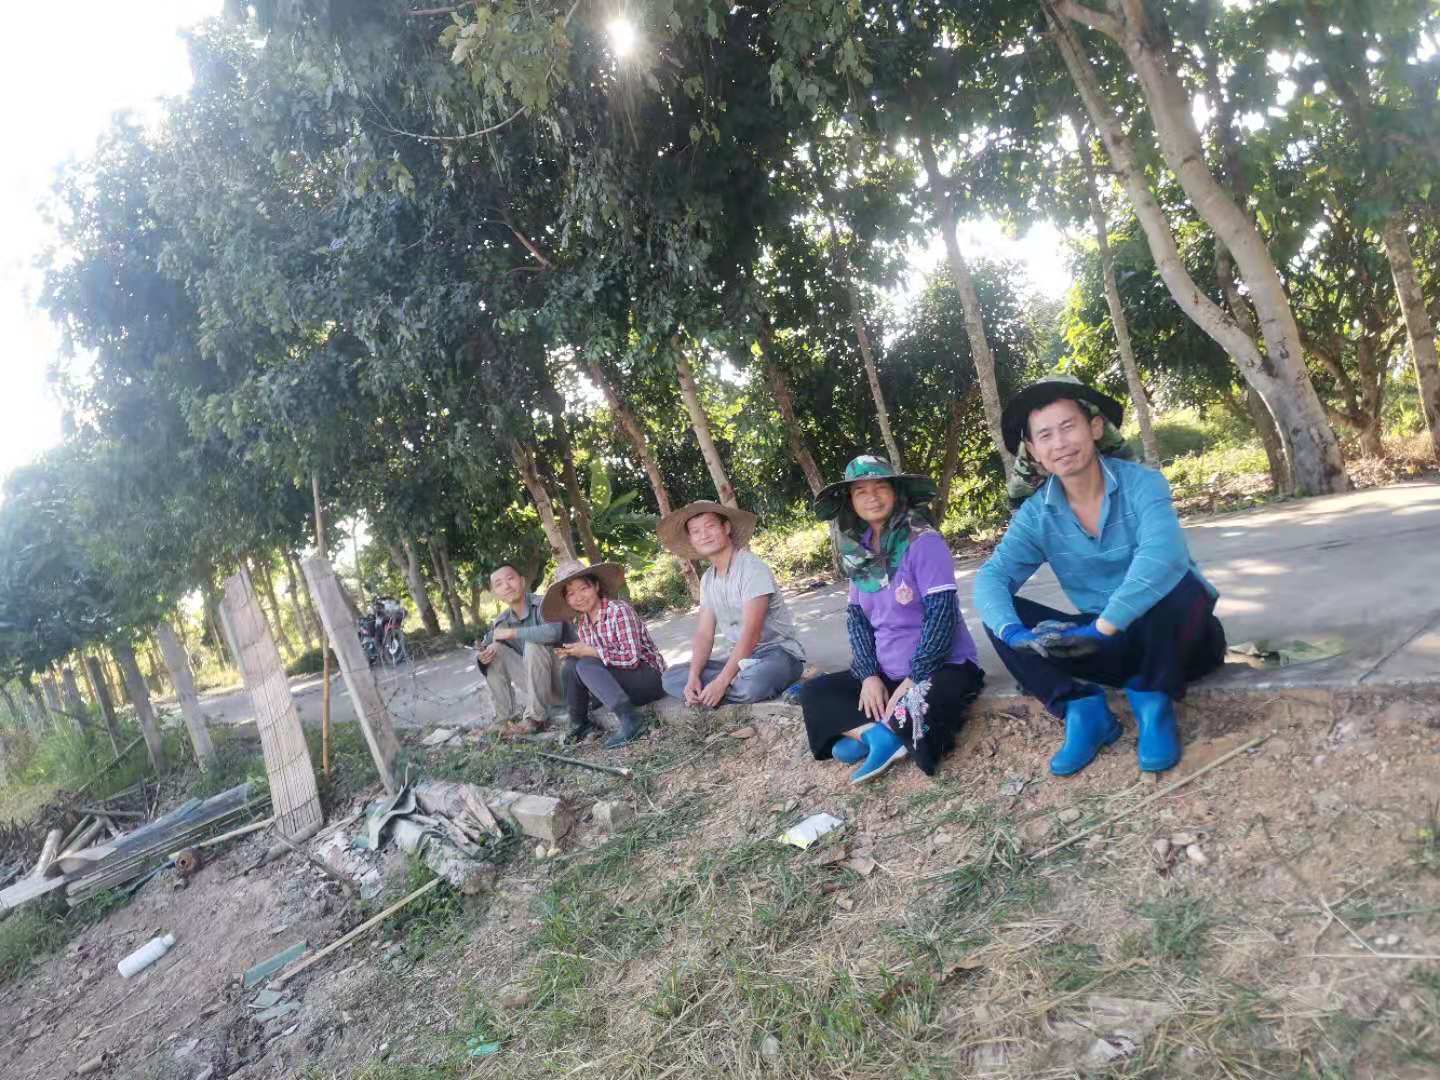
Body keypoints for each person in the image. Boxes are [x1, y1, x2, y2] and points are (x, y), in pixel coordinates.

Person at [973, 375, 1227, 778]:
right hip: (1107, 645)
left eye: (1068, 426)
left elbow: (1162, 557)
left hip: (1180, 643)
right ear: (1034, 451)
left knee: (1183, 585)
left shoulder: (1142, 483)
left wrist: (1102, 628)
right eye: (1045, 435)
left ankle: (1153, 702)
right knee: (1000, 615)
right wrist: (1016, 634)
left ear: (1094, 428)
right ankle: (1082, 710)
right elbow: (992, 578)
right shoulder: (1037, 514)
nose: (1060, 443)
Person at [798, 456, 985, 784]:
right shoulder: (859, 552)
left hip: (943, 667)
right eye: (860, 491)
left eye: (880, 487)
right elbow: (857, 620)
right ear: (851, 501)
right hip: (888, 672)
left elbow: (941, 616)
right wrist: (869, 675)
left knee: (927, 699)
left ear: (896, 492)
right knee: (815, 692)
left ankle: (881, 734)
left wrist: (914, 678)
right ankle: (875, 735)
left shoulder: (924, 542)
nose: (871, 497)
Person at [657, 501, 805, 707]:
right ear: (691, 539)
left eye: (710, 526)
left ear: (726, 527)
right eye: (696, 531)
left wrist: (721, 681)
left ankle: (720, 690)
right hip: (740, 661)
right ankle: (719, 688)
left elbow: (751, 633)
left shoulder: (752, 568)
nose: (704, 535)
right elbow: (704, 634)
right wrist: (693, 677)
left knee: (753, 685)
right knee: (671, 677)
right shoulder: (708, 579)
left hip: (777, 655)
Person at [541, 559, 666, 749]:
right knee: (571, 665)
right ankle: (579, 723)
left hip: (649, 679)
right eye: (571, 594)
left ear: (596, 586)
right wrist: (576, 653)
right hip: (621, 683)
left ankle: (631, 719)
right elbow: (595, 663)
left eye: (583, 588)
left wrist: (590, 652)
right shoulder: (583, 624)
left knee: (585, 663)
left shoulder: (618, 611)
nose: (579, 597)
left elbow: (631, 658)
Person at [474, 564, 568, 734]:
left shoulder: (544, 604)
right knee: (494, 652)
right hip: (540, 688)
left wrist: (512, 633)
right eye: (499, 584)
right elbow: (486, 645)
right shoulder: (502, 620)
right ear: (495, 593)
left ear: (522, 581)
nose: (506, 586)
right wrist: (483, 655)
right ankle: (503, 720)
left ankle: (535, 719)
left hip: (566, 683)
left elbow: (554, 632)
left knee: (533, 644)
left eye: (510, 578)